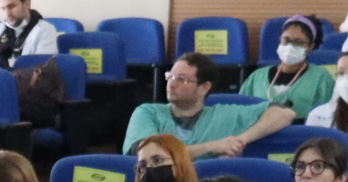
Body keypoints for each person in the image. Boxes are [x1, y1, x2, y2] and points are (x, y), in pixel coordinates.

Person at [121, 52, 293, 156]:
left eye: (181, 79)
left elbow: (285, 113)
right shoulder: (148, 112)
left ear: (204, 88)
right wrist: (211, 146)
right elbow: (151, 154)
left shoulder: (226, 115)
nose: (171, 84)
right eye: (170, 77)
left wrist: (240, 140)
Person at [242, 16, 335, 120]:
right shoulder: (257, 77)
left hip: (303, 134)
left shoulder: (321, 78)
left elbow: (327, 117)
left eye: (299, 42)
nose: (290, 46)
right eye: (286, 40)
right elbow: (242, 112)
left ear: (311, 47)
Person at [0, 0, 61, 64]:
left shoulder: (45, 30)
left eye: (11, 6)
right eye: (3, 9)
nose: (7, 13)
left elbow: (42, 68)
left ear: (26, 4)